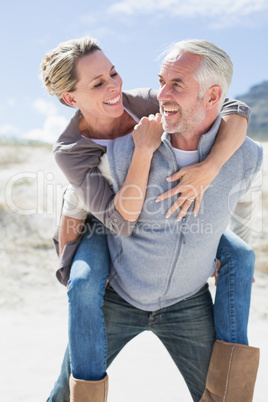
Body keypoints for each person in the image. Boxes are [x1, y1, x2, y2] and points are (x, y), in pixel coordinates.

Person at [40, 37, 260, 401]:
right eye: (98, 84)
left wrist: (210, 167)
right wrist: (143, 149)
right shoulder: (72, 150)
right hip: (99, 214)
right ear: (71, 99)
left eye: (113, 74)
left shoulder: (143, 102)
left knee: (241, 255)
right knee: (81, 280)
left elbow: (230, 105)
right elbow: (118, 221)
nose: (114, 87)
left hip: (177, 266)